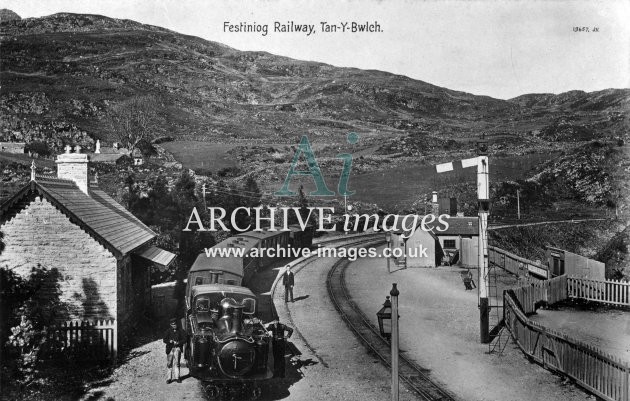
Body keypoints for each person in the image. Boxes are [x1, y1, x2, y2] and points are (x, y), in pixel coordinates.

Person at [163, 318, 187, 384]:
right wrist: (169, 341)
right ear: (170, 325)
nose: (174, 326)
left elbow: (185, 339)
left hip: (177, 349)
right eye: (173, 324)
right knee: (169, 364)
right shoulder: (168, 331)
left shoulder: (181, 331)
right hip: (170, 349)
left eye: (175, 324)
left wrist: (179, 342)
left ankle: (177, 378)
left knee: (177, 363)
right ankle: (169, 378)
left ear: (177, 324)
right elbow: (164, 340)